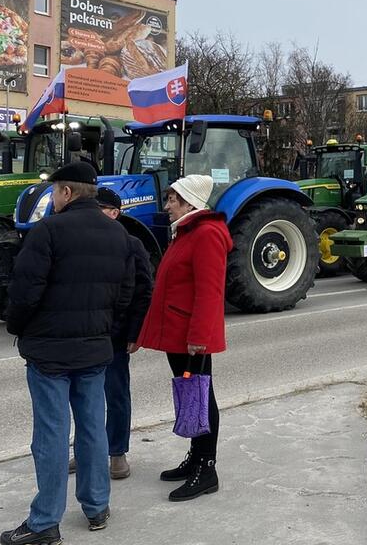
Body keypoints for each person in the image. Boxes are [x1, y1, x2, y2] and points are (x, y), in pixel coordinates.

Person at [1, 162, 134, 545]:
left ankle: (44, 522)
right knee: (93, 428)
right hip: (94, 349)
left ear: (67, 193)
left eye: (56, 191)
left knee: (51, 435)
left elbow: (24, 292)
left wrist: (17, 326)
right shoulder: (119, 236)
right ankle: (97, 507)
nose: (53, 198)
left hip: (49, 352)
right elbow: (124, 294)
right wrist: (104, 329)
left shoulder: (48, 232)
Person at [136, 174, 232, 502]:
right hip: (179, 331)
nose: (166, 207)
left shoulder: (206, 234)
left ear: (190, 201)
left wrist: (199, 336)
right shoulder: (188, 231)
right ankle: (196, 458)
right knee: (191, 392)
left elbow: (209, 291)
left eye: (172, 200)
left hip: (191, 335)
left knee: (202, 395)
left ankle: (207, 468)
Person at [68, 187, 153, 480]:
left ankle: (117, 453)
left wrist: (134, 332)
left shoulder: (132, 245)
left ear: (115, 213)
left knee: (115, 393)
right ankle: (85, 451)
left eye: (101, 209)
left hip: (115, 335)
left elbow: (143, 292)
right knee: (83, 396)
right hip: (84, 333)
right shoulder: (79, 243)